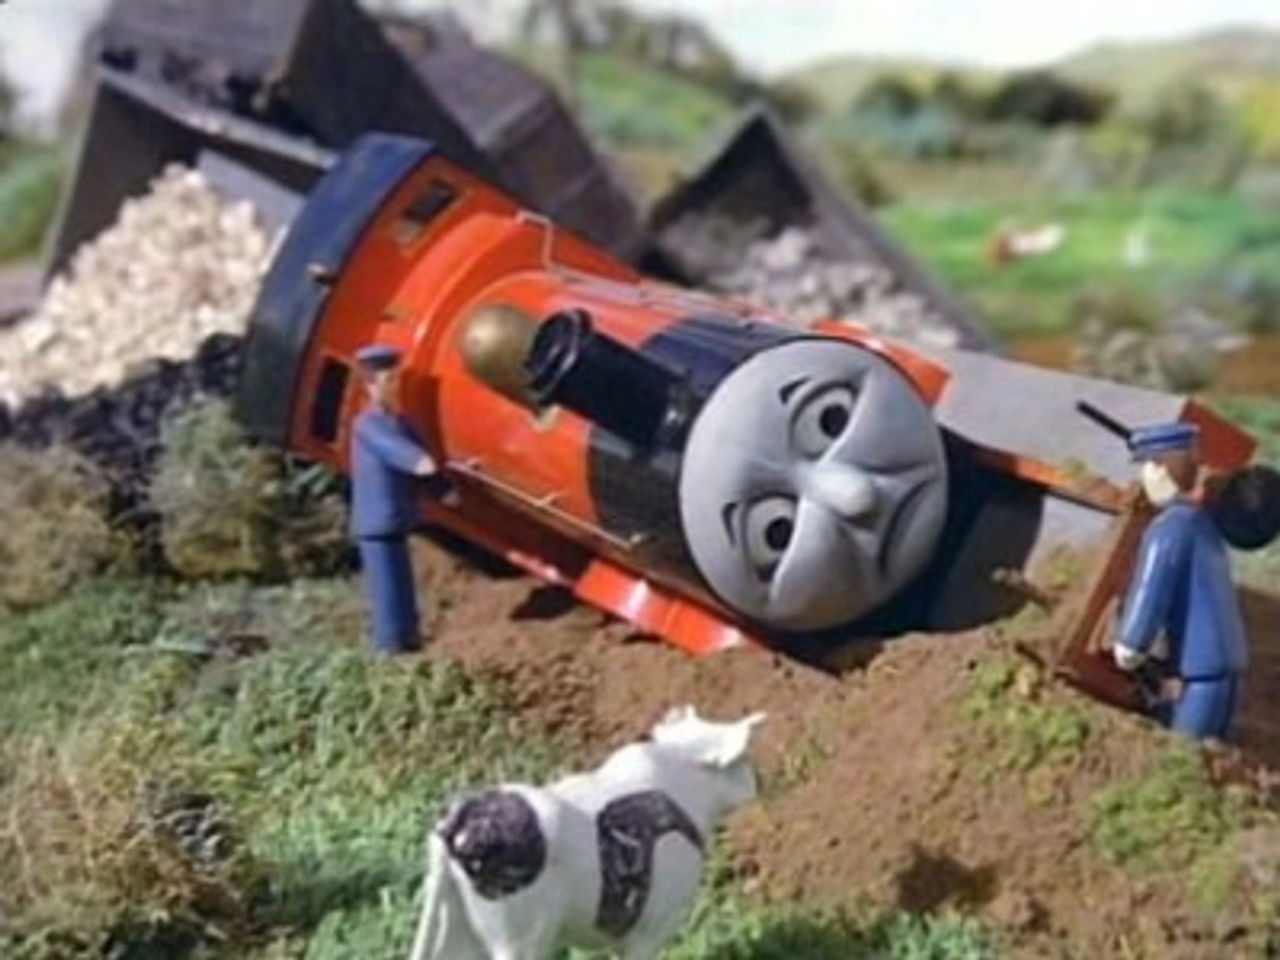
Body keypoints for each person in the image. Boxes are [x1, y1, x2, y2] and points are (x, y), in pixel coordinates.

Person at [1112, 421, 1248, 740]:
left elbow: (1150, 592)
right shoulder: (1204, 523)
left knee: (1183, 752)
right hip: (1226, 666)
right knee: (1212, 752)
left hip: (1197, 670)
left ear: (1159, 470)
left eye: (1145, 468)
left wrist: (1130, 644)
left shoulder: (1169, 529)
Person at [350, 343, 438, 655]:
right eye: (386, 381)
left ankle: (409, 641)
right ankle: (389, 648)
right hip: (376, 520)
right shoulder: (366, 424)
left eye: (395, 380)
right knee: (387, 591)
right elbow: (394, 449)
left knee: (403, 587)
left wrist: (442, 487)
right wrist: (417, 461)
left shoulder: (402, 422)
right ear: (370, 386)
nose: (393, 388)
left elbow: (423, 451)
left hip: (398, 517)